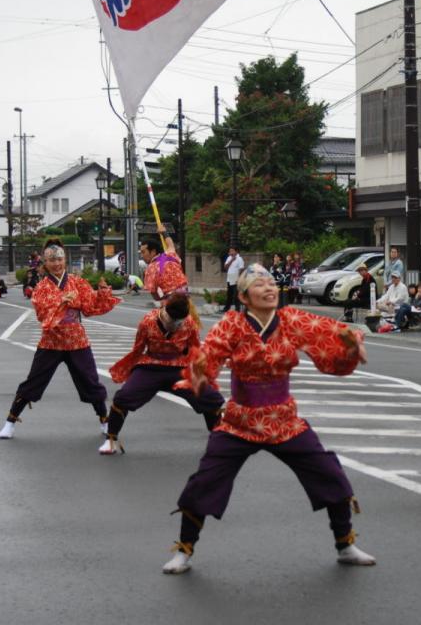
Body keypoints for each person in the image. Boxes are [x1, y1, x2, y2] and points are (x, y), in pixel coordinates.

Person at [161, 264, 374, 575]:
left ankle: (345, 543)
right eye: (260, 286)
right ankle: (184, 549)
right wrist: (197, 373)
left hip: (283, 419)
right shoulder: (232, 324)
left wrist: (351, 345)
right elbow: (210, 353)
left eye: (272, 284)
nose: (269, 289)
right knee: (205, 480)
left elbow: (330, 335)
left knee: (327, 471)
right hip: (240, 421)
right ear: (245, 297)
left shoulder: (290, 321)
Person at [0, 241, 120, 440]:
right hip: (51, 342)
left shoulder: (77, 282)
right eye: (52, 260)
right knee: (33, 382)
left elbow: (89, 307)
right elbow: (41, 312)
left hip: (76, 340)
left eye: (60, 259)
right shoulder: (42, 287)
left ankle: (105, 421)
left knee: (91, 382)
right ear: (45, 263)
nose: (57, 263)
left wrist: (103, 292)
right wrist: (61, 301)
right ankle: (10, 422)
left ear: (65, 260)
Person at [101, 294, 224, 455]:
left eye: (179, 321)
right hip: (151, 365)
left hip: (179, 368)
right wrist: (127, 368)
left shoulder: (189, 324)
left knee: (211, 398)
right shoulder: (148, 321)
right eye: (172, 320)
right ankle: (111, 440)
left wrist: (203, 374)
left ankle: (218, 440)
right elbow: (138, 349)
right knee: (123, 397)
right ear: (165, 311)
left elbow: (195, 350)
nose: (175, 324)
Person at [141, 237, 188, 304]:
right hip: (185, 300)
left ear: (153, 252)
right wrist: (163, 232)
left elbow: (155, 296)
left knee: (153, 314)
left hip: (170, 304)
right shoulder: (171, 255)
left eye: (143, 252)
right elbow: (170, 244)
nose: (142, 255)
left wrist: (163, 296)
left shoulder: (151, 268)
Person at [222, 245, 244, 313]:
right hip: (229, 278)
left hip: (236, 279)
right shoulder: (229, 258)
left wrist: (239, 279)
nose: (230, 252)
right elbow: (225, 267)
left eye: (232, 250)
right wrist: (232, 260)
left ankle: (237, 309)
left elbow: (241, 269)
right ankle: (226, 308)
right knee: (229, 294)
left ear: (236, 251)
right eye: (230, 251)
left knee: (236, 295)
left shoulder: (240, 259)